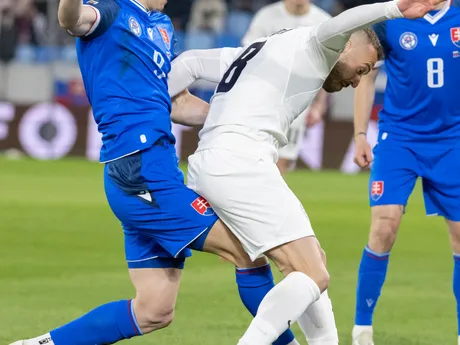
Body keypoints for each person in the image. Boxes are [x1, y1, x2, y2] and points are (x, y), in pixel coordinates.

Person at [7, 1, 302, 345]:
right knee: (247, 252)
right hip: (140, 171)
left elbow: (178, 103)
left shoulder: (161, 25)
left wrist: (244, 118)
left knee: (154, 310)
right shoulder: (111, 11)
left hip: (156, 169)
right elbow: (69, 19)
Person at [168, 0, 441, 344]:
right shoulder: (319, 44)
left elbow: (190, 62)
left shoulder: (264, 48)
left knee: (310, 267)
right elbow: (345, 22)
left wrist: (151, 106)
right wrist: (395, 9)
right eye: (363, 68)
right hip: (241, 165)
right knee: (313, 273)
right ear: (347, 45)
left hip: (212, 161)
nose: (359, 81)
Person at [351, 1, 460, 344]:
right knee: (384, 226)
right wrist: (359, 135)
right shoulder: (391, 16)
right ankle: (362, 330)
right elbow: (365, 75)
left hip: (453, 140)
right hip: (400, 138)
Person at [242, 0, 331, 175]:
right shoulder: (266, 17)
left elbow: (326, 67)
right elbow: (248, 55)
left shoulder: (324, 21)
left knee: (284, 159)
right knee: (255, 156)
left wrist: (319, 104)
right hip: (264, 98)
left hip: (299, 100)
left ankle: (270, 199)